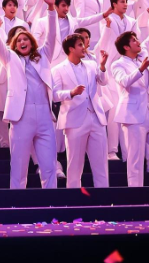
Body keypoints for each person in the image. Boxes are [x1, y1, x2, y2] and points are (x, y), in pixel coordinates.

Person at [0, 0, 60, 189]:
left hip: (45, 116)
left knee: (49, 167)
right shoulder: (10, 58)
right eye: (19, 40)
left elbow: (52, 35)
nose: (22, 41)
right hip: (21, 117)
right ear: (14, 45)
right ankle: (17, 203)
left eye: (25, 39)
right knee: (19, 167)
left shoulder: (43, 55)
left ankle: (51, 202)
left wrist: (51, 9)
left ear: (31, 42)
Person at [106, 0, 149, 187]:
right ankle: (135, 197)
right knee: (135, 162)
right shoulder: (118, 64)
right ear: (126, 47)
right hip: (133, 117)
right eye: (134, 40)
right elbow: (124, 82)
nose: (139, 42)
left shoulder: (143, 53)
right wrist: (141, 69)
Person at [52, 30, 110, 189]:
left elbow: (103, 82)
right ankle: (74, 200)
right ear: (71, 49)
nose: (84, 47)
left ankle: (104, 200)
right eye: (80, 45)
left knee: (101, 166)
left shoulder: (92, 65)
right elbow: (54, 95)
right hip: (74, 121)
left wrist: (102, 66)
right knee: (74, 166)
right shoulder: (58, 69)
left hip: (96, 118)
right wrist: (71, 93)